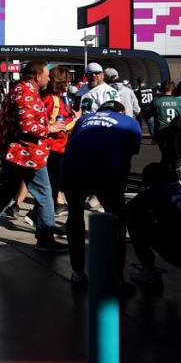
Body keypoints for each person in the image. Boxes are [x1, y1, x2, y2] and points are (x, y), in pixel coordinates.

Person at [0, 61, 68, 252]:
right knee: (45, 194)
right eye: (46, 74)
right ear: (38, 74)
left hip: (14, 152)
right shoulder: (27, 93)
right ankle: (45, 238)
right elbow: (28, 126)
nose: (48, 77)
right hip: (27, 152)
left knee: (6, 191)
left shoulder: (17, 89)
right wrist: (51, 128)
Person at [62, 100, 141, 293]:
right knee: (117, 219)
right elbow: (127, 156)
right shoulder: (129, 121)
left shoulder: (85, 119)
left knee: (75, 216)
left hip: (72, 169)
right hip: (106, 170)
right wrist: (118, 191)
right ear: (121, 111)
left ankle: (77, 271)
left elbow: (75, 142)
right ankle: (117, 279)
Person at [127, 163, 181, 292]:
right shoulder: (178, 188)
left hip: (177, 250)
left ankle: (149, 271)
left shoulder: (155, 190)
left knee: (135, 220)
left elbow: (130, 207)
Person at [40, 66, 78, 217]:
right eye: (67, 80)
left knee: (52, 186)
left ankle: (43, 218)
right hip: (55, 148)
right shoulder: (53, 100)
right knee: (52, 186)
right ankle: (40, 218)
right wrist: (76, 119)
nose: (69, 83)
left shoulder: (55, 97)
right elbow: (60, 127)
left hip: (55, 147)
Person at [149, 81, 181, 167]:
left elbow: (148, 115)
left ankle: (168, 174)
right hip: (176, 132)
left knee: (166, 154)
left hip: (162, 131)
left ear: (162, 89)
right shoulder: (179, 102)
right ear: (173, 89)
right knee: (174, 154)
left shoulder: (156, 101)